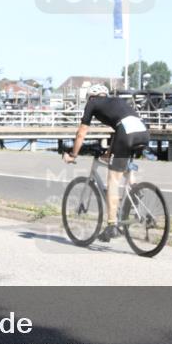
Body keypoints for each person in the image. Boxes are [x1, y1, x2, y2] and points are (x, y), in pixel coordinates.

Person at [62, 84, 149, 241]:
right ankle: (135, 191)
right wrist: (109, 153)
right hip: (142, 132)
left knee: (113, 180)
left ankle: (111, 226)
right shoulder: (116, 101)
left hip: (126, 133)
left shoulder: (92, 103)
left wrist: (73, 155)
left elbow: (81, 133)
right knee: (125, 166)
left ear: (91, 96)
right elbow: (119, 128)